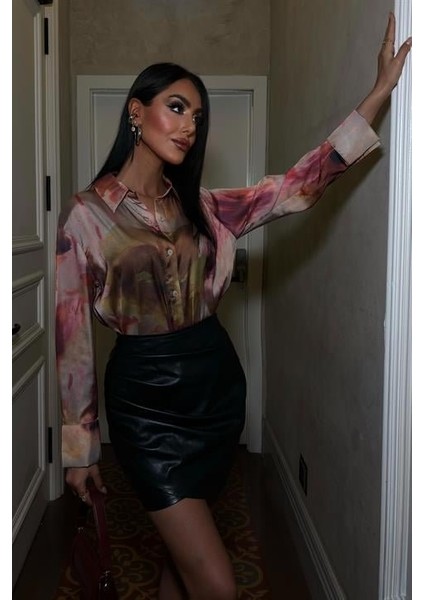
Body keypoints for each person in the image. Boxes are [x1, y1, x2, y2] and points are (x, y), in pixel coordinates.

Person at [55, 13, 411, 600]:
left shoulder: (207, 207)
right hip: (144, 402)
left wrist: (378, 93)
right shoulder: (85, 216)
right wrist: (79, 449)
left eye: (197, 116)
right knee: (216, 583)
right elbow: (71, 341)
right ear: (136, 111)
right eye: (176, 107)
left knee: (182, 562)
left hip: (215, 389)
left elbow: (299, 185)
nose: (189, 125)